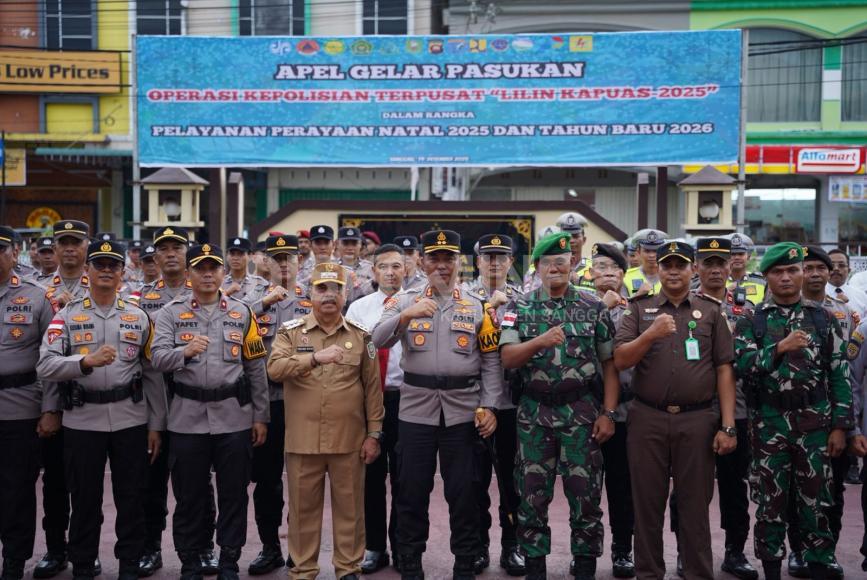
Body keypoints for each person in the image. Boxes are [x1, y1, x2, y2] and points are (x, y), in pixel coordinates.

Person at [372, 229, 503, 580]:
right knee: (411, 489)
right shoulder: (405, 299)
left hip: (463, 410)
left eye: (449, 258)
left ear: (458, 262)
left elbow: (490, 360)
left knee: (464, 491)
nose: (442, 265)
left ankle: (465, 562)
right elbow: (375, 340)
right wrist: (405, 315)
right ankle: (411, 562)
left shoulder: (477, 305)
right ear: (423, 261)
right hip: (416, 409)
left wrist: (490, 405)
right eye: (435, 258)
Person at [36, 239, 165, 580]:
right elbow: (45, 365)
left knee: (131, 499)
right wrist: (84, 362)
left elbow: (152, 375)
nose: (106, 271)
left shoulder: (139, 317)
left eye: (113, 265)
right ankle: (82, 565)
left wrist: (156, 425)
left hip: (130, 419)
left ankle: (128, 566)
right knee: (85, 501)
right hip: (84, 420)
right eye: (100, 265)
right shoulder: (66, 315)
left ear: (123, 272)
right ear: (88, 271)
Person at [614, 240, 737, 580]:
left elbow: (725, 369)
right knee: (647, 506)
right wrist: (650, 335)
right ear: (659, 269)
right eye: (667, 265)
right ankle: (649, 573)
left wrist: (728, 426)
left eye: (680, 265)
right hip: (647, 418)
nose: (672, 271)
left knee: (695, 507)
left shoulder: (711, 310)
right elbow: (621, 359)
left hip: (697, 419)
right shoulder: (639, 308)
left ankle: (698, 573)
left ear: (692, 269)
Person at [499, 232, 619, 580]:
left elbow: (610, 364)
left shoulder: (593, 306)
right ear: (536, 267)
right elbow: (507, 358)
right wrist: (540, 340)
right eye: (549, 263)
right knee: (532, 497)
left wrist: (609, 414)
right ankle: (535, 567)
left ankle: (584, 566)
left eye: (562, 262)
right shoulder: (517, 307)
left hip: (581, 412)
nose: (556, 268)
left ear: (572, 265)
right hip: (534, 414)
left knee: (586, 498)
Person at [734, 242, 853, 580]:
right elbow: (742, 365)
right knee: (770, 504)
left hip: (815, 424)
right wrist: (780, 347)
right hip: (769, 425)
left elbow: (839, 374)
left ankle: (818, 561)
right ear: (767, 276)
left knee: (817, 500)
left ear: (802, 273)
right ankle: (771, 566)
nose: (785, 278)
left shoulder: (823, 318)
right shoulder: (752, 320)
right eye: (777, 272)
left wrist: (841, 426)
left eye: (792, 270)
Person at [150, 243, 269, 580]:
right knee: (189, 497)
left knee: (233, 495)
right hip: (187, 417)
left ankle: (229, 561)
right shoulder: (170, 313)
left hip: (233, 414)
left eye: (213, 268)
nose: (207, 274)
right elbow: (157, 359)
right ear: (189, 273)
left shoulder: (242, 313)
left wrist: (261, 416)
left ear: (222, 273)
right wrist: (183, 352)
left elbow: (256, 367)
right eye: (200, 268)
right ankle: (190, 562)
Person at [268, 261, 384, 580]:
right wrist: (313, 358)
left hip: (349, 440)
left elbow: (373, 390)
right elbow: (274, 370)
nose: (329, 295)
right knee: (302, 513)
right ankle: (303, 569)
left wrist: (374, 434)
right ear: (310, 294)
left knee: (350, 511)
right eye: (322, 288)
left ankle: (348, 568)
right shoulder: (290, 333)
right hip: (303, 440)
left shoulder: (362, 337)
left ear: (346, 294)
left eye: (336, 289)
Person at [784, 246, 857, 578]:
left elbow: (846, 370)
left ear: (830, 274)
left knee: (831, 490)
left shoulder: (843, 311)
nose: (814, 273)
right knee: (794, 492)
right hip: (796, 414)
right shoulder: (782, 309)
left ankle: (827, 552)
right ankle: (797, 551)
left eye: (820, 268)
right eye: (807, 267)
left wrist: (845, 422)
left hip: (834, 413)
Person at [692, 237, 759, 579]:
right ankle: (687, 551)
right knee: (691, 487)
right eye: (709, 263)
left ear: (731, 266)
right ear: (697, 267)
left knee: (735, 486)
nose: (716, 269)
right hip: (697, 409)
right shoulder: (683, 307)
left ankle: (735, 551)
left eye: (722, 262)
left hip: (739, 408)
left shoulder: (746, 309)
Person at [245, 235, 311, 575]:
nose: (283, 263)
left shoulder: (312, 298)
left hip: (303, 400)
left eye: (289, 257)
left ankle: (300, 549)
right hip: (266, 401)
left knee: (303, 479)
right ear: (265, 262)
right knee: (267, 480)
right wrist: (264, 303)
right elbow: (234, 322)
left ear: (299, 261)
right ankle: (269, 546)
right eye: (277, 258)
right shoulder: (251, 300)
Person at [461, 234, 524, 576]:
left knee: (512, 480)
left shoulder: (523, 299)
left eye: (502, 257)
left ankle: (511, 546)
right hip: (473, 402)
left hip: (511, 403)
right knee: (474, 480)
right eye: (488, 257)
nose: (495, 262)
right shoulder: (461, 298)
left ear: (512, 262)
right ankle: (479, 546)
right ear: (478, 261)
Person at [0, 226, 58, 580]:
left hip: (19, 406)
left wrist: (50, 408)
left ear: (15, 253)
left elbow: (51, 358)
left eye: (0, 248)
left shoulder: (36, 297)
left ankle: (14, 559)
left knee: (17, 487)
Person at [37, 219, 93, 579]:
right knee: (54, 482)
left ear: (86, 245)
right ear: (54, 249)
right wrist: (49, 407)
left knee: (86, 486)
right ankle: (55, 550)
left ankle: (86, 551)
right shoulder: (35, 290)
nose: (70, 248)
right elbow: (39, 357)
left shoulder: (105, 283)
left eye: (76, 242)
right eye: (63, 242)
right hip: (48, 400)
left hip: (91, 403)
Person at [345, 244, 407, 575]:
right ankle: (374, 547)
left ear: (405, 269)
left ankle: (402, 545)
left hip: (406, 398)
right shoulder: (358, 308)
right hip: (369, 400)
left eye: (397, 266)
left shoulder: (417, 303)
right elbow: (350, 357)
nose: (391, 272)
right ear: (373, 271)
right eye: (384, 266)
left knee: (404, 476)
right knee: (370, 476)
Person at [589, 242, 636, 578]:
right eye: (599, 268)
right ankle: (586, 551)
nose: (606, 274)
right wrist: (598, 311)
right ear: (590, 275)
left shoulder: (638, 311)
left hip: (624, 412)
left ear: (623, 273)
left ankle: (623, 549)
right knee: (585, 489)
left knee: (623, 486)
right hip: (582, 409)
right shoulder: (578, 307)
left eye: (612, 268)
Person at [223, 237, 270, 305]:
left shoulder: (261, 283)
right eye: (232, 254)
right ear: (227, 256)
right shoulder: (219, 283)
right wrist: (227, 293)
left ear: (250, 256)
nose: (235, 258)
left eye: (240, 254)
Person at [622, 229, 667, 298]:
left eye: (656, 251)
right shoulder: (626, 277)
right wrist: (637, 295)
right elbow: (622, 306)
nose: (652, 255)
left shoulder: (671, 275)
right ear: (638, 252)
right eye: (647, 251)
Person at [337, 227, 375, 303]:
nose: (350, 248)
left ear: (360, 245)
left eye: (354, 244)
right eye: (345, 243)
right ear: (337, 244)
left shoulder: (371, 268)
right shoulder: (330, 267)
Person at [827, 248, 867, 319]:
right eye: (831, 265)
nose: (836, 268)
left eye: (841, 265)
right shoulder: (816, 295)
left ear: (849, 270)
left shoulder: (862, 296)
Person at [726, 233, 765, 306]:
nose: (737, 257)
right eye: (733, 254)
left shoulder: (762, 282)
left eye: (741, 254)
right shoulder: (719, 282)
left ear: (748, 257)